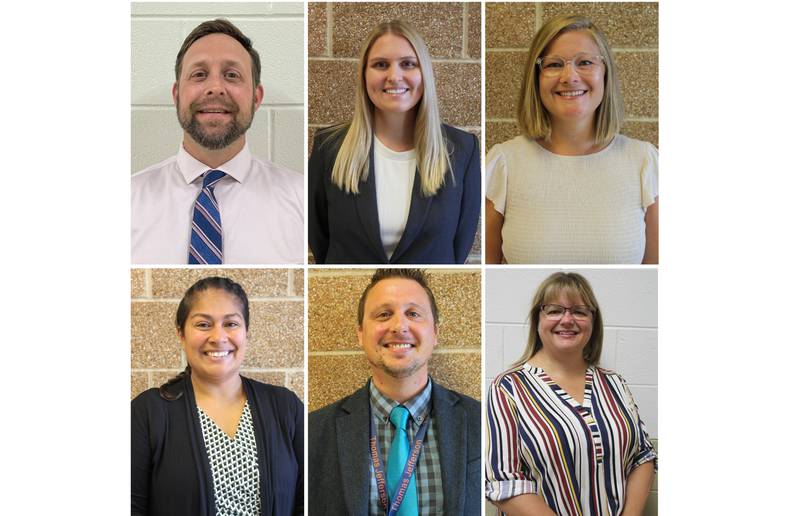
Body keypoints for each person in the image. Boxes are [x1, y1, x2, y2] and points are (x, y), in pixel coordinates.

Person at [485, 15, 659, 264]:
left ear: (605, 74)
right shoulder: (505, 163)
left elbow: (654, 286)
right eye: (554, 64)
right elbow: (491, 280)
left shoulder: (644, 161)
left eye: (585, 62)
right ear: (536, 78)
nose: (569, 76)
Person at [309, 269, 481, 515]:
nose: (399, 326)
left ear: (435, 333)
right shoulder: (314, 431)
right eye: (384, 314)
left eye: (413, 313)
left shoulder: (480, 420)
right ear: (360, 334)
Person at [132, 19, 303, 264]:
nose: (215, 87)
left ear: (256, 98)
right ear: (177, 94)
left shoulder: (300, 197)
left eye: (232, 75)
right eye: (199, 74)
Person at [309, 21, 480, 264]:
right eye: (380, 65)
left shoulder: (462, 150)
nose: (394, 76)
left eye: (408, 64)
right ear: (364, 75)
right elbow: (319, 240)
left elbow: (458, 247)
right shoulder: (329, 147)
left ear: (424, 73)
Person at [486, 272, 656, 515]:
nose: (567, 319)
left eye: (579, 311)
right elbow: (504, 483)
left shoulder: (615, 384)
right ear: (538, 319)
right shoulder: (509, 388)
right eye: (554, 310)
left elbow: (643, 456)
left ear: (593, 321)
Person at [131, 277, 303, 515]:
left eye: (231, 324)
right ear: (181, 333)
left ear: (246, 332)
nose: (218, 337)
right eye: (203, 325)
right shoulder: (148, 412)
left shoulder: (285, 407)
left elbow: (306, 500)